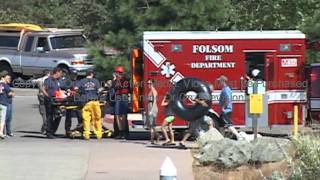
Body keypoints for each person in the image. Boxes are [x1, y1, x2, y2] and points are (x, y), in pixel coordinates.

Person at [75, 70, 103, 140]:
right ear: (92, 74)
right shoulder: (95, 81)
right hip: (95, 102)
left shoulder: (82, 81)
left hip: (86, 102)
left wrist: (81, 93)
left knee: (86, 119)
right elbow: (99, 90)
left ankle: (87, 135)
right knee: (97, 118)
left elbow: (76, 88)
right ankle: (99, 134)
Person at [217, 75, 243, 140]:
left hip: (226, 110)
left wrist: (223, 107)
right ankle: (221, 139)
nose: (218, 83)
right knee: (221, 125)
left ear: (223, 81)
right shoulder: (226, 89)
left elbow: (227, 99)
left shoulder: (226, 90)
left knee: (228, 125)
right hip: (225, 110)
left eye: (219, 81)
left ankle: (238, 136)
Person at [60, 70, 83, 137]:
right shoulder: (67, 81)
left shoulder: (78, 82)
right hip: (70, 100)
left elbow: (81, 89)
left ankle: (80, 129)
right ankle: (67, 131)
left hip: (77, 100)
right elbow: (62, 86)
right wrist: (68, 89)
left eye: (75, 75)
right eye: (73, 75)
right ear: (70, 75)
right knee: (68, 116)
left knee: (80, 115)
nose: (75, 76)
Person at [42, 67, 63, 139]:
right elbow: (43, 89)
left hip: (56, 100)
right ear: (57, 72)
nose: (61, 74)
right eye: (60, 73)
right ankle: (49, 133)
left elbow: (58, 90)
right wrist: (48, 97)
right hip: (49, 101)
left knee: (58, 115)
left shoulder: (57, 81)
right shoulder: (48, 80)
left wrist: (62, 95)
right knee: (49, 117)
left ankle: (53, 131)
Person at [112, 65, 130, 139]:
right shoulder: (124, 79)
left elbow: (115, 87)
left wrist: (114, 80)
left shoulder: (120, 80)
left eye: (117, 72)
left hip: (121, 96)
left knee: (120, 115)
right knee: (120, 115)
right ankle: (122, 132)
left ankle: (122, 132)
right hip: (122, 96)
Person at [33, 69, 51, 134]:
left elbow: (33, 81)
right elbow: (34, 81)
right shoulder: (43, 80)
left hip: (44, 97)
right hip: (43, 97)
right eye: (49, 74)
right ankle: (45, 128)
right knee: (45, 114)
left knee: (46, 115)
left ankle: (45, 128)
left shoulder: (42, 80)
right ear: (47, 74)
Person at [146, 79, 160, 144]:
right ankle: (156, 137)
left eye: (150, 83)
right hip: (150, 107)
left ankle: (153, 139)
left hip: (153, 108)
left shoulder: (154, 91)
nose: (149, 85)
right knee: (151, 125)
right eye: (148, 83)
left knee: (152, 125)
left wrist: (151, 110)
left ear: (153, 84)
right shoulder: (150, 91)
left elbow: (154, 101)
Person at [4, 73, 15, 137]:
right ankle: (3, 132)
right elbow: (10, 94)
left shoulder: (7, 85)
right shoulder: (3, 85)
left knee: (9, 118)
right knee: (5, 118)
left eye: (10, 78)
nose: (9, 80)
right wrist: (12, 93)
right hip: (6, 103)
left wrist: (12, 93)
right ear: (4, 78)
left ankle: (8, 131)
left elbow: (12, 93)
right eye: (8, 78)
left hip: (9, 103)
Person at [0, 71, 8, 139]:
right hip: (3, 103)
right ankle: (1, 132)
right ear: (3, 77)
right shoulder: (5, 85)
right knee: (2, 119)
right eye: (6, 76)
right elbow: (10, 93)